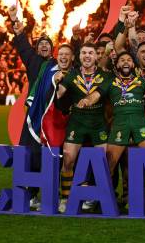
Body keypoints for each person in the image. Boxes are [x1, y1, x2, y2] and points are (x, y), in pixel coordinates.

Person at [79, 51, 145, 178]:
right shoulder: (110, 82)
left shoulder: (142, 81)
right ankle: (103, 195)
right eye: (122, 60)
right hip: (120, 123)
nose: (126, 62)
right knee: (108, 165)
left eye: (129, 60)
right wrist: (87, 100)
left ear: (133, 65)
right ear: (117, 65)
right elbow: (96, 95)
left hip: (139, 122)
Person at [8, 4, 55, 210]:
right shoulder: (33, 61)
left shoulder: (58, 64)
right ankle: (30, 193)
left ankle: (54, 192)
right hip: (34, 116)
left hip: (53, 116)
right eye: (41, 44)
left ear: (53, 49)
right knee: (30, 153)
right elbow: (22, 45)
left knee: (52, 154)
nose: (44, 46)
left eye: (47, 44)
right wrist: (16, 25)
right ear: (36, 49)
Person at [55, 43, 111, 213]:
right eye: (84, 53)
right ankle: (65, 198)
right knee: (68, 160)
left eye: (91, 53)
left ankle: (100, 198)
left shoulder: (105, 76)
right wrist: (56, 83)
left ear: (96, 57)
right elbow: (58, 95)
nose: (87, 56)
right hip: (77, 122)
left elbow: (98, 94)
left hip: (98, 123)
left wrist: (87, 101)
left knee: (103, 163)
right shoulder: (71, 74)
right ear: (79, 56)